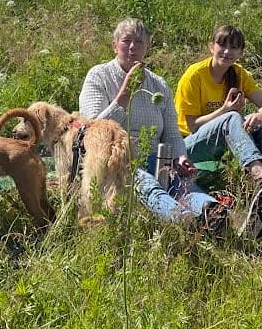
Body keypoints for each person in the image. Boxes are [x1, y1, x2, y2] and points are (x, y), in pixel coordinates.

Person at [79, 18, 238, 233]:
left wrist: (181, 158)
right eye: (126, 41)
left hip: (156, 157)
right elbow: (94, 129)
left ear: (147, 48)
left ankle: (218, 216)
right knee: (146, 184)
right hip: (117, 158)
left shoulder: (158, 84)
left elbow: (172, 133)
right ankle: (189, 224)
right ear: (114, 45)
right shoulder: (99, 76)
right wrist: (123, 95)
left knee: (184, 186)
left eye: (139, 42)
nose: (132, 47)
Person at [174, 24, 262, 240]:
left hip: (220, 141)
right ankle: (261, 178)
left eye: (234, 47)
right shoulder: (194, 75)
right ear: (211, 46)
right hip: (187, 147)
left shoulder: (238, 74)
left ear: (240, 52)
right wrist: (226, 110)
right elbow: (193, 126)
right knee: (232, 118)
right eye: (222, 45)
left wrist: (260, 115)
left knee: (260, 122)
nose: (227, 52)